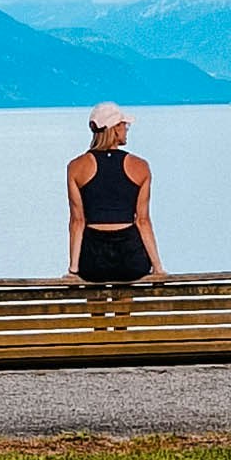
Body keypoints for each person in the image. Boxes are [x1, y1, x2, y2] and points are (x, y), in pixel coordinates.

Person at [66, 103, 162, 318]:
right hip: (129, 259)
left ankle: (99, 332)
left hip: (94, 260)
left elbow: (77, 221)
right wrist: (158, 267)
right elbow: (143, 221)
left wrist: (74, 269)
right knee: (125, 282)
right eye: (124, 124)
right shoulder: (140, 166)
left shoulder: (76, 167)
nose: (127, 128)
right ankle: (121, 330)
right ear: (114, 128)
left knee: (95, 284)